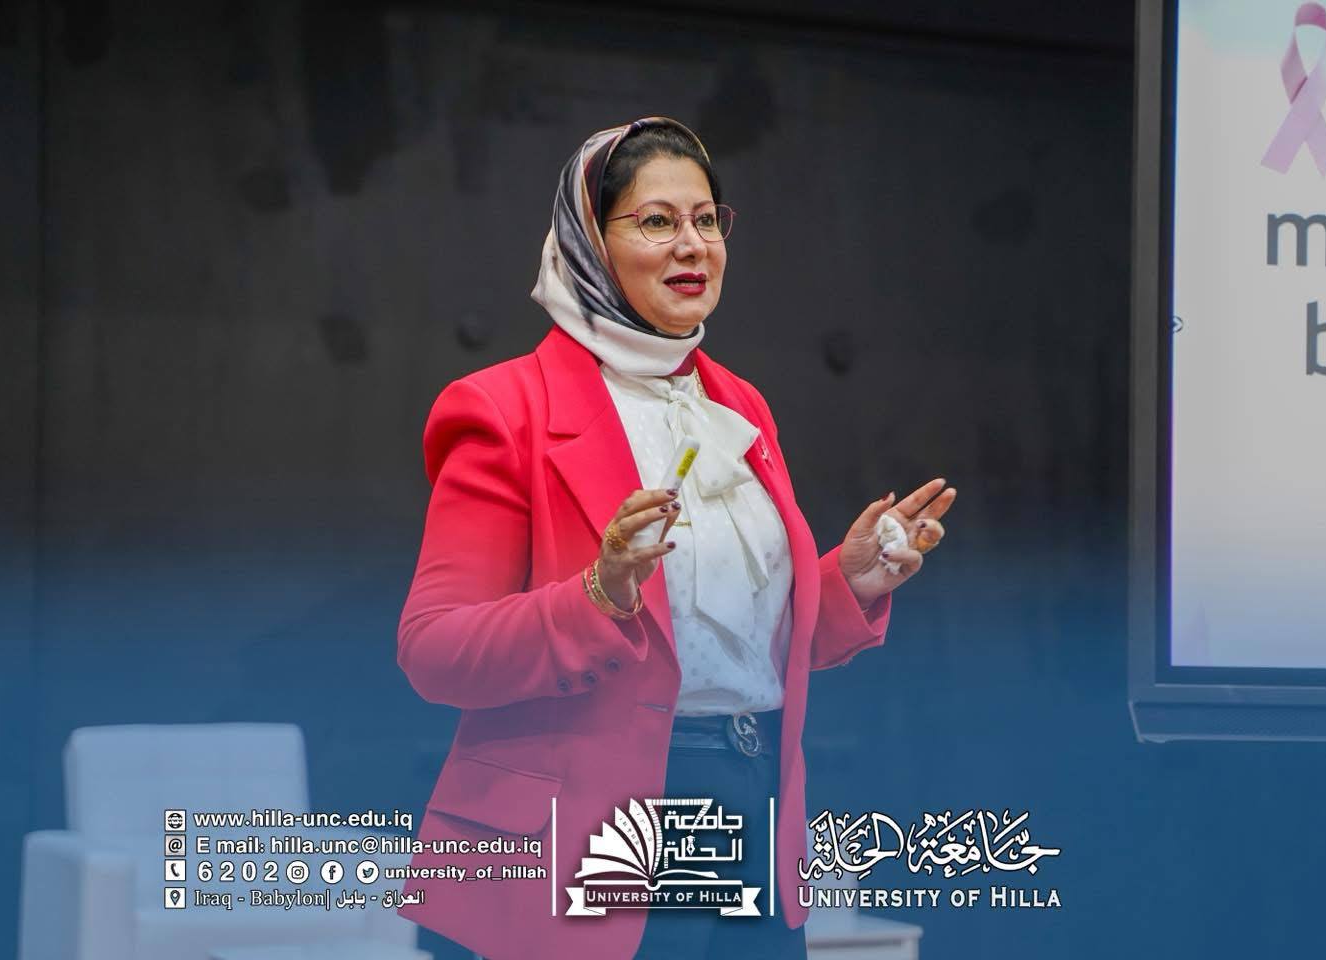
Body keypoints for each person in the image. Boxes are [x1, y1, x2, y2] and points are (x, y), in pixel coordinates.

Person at [395, 117, 954, 960]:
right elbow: (435, 651)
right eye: (657, 221)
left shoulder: (739, 405)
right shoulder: (503, 408)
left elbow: (729, 645)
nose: (692, 244)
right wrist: (600, 592)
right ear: (591, 242)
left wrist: (852, 582)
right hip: (580, 837)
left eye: (705, 219)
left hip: (752, 807)